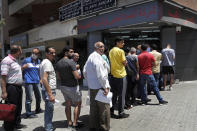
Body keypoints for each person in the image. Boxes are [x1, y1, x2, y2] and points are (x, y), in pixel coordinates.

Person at [83, 42, 111, 131]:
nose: (102, 48)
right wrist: (105, 87)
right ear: (96, 48)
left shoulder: (91, 57)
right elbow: (101, 75)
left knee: (94, 108)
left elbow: (84, 71)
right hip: (100, 87)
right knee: (104, 109)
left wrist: (90, 81)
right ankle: (104, 128)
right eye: (100, 47)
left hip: (93, 87)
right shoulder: (97, 58)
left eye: (103, 46)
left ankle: (93, 126)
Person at [56, 47, 82, 130]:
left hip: (63, 86)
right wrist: (80, 74)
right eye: (71, 52)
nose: (73, 53)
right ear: (66, 53)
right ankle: (75, 124)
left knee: (68, 104)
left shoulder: (58, 63)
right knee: (77, 104)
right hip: (73, 86)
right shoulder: (71, 62)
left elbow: (58, 77)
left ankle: (69, 122)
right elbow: (77, 76)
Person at [1, 45, 25, 131]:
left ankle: (15, 124)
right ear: (18, 51)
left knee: (17, 107)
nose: (21, 52)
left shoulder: (14, 60)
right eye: (21, 50)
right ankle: (8, 127)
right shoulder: (7, 60)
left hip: (18, 87)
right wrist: (4, 92)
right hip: (11, 87)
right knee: (10, 108)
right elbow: (3, 77)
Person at [109, 38, 129, 119]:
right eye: (122, 42)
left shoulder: (111, 51)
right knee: (121, 95)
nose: (123, 44)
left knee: (113, 94)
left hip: (113, 75)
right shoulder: (121, 51)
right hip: (121, 75)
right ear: (117, 42)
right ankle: (121, 112)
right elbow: (124, 63)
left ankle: (111, 111)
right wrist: (126, 62)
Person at [22, 48, 43, 118]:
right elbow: (20, 69)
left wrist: (40, 79)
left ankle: (38, 109)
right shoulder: (26, 60)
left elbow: (39, 71)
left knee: (39, 97)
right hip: (29, 82)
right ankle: (28, 113)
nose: (34, 54)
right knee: (29, 98)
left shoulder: (39, 61)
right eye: (33, 53)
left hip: (37, 81)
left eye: (36, 53)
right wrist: (23, 67)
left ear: (39, 54)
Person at [40, 46, 56, 131]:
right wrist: (50, 94)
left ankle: (48, 127)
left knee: (48, 110)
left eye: (54, 52)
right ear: (46, 54)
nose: (54, 54)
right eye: (51, 53)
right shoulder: (47, 63)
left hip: (46, 89)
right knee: (49, 111)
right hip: (49, 90)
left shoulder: (45, 62)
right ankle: (48, 128)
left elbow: (42, 78)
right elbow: (44, 78)